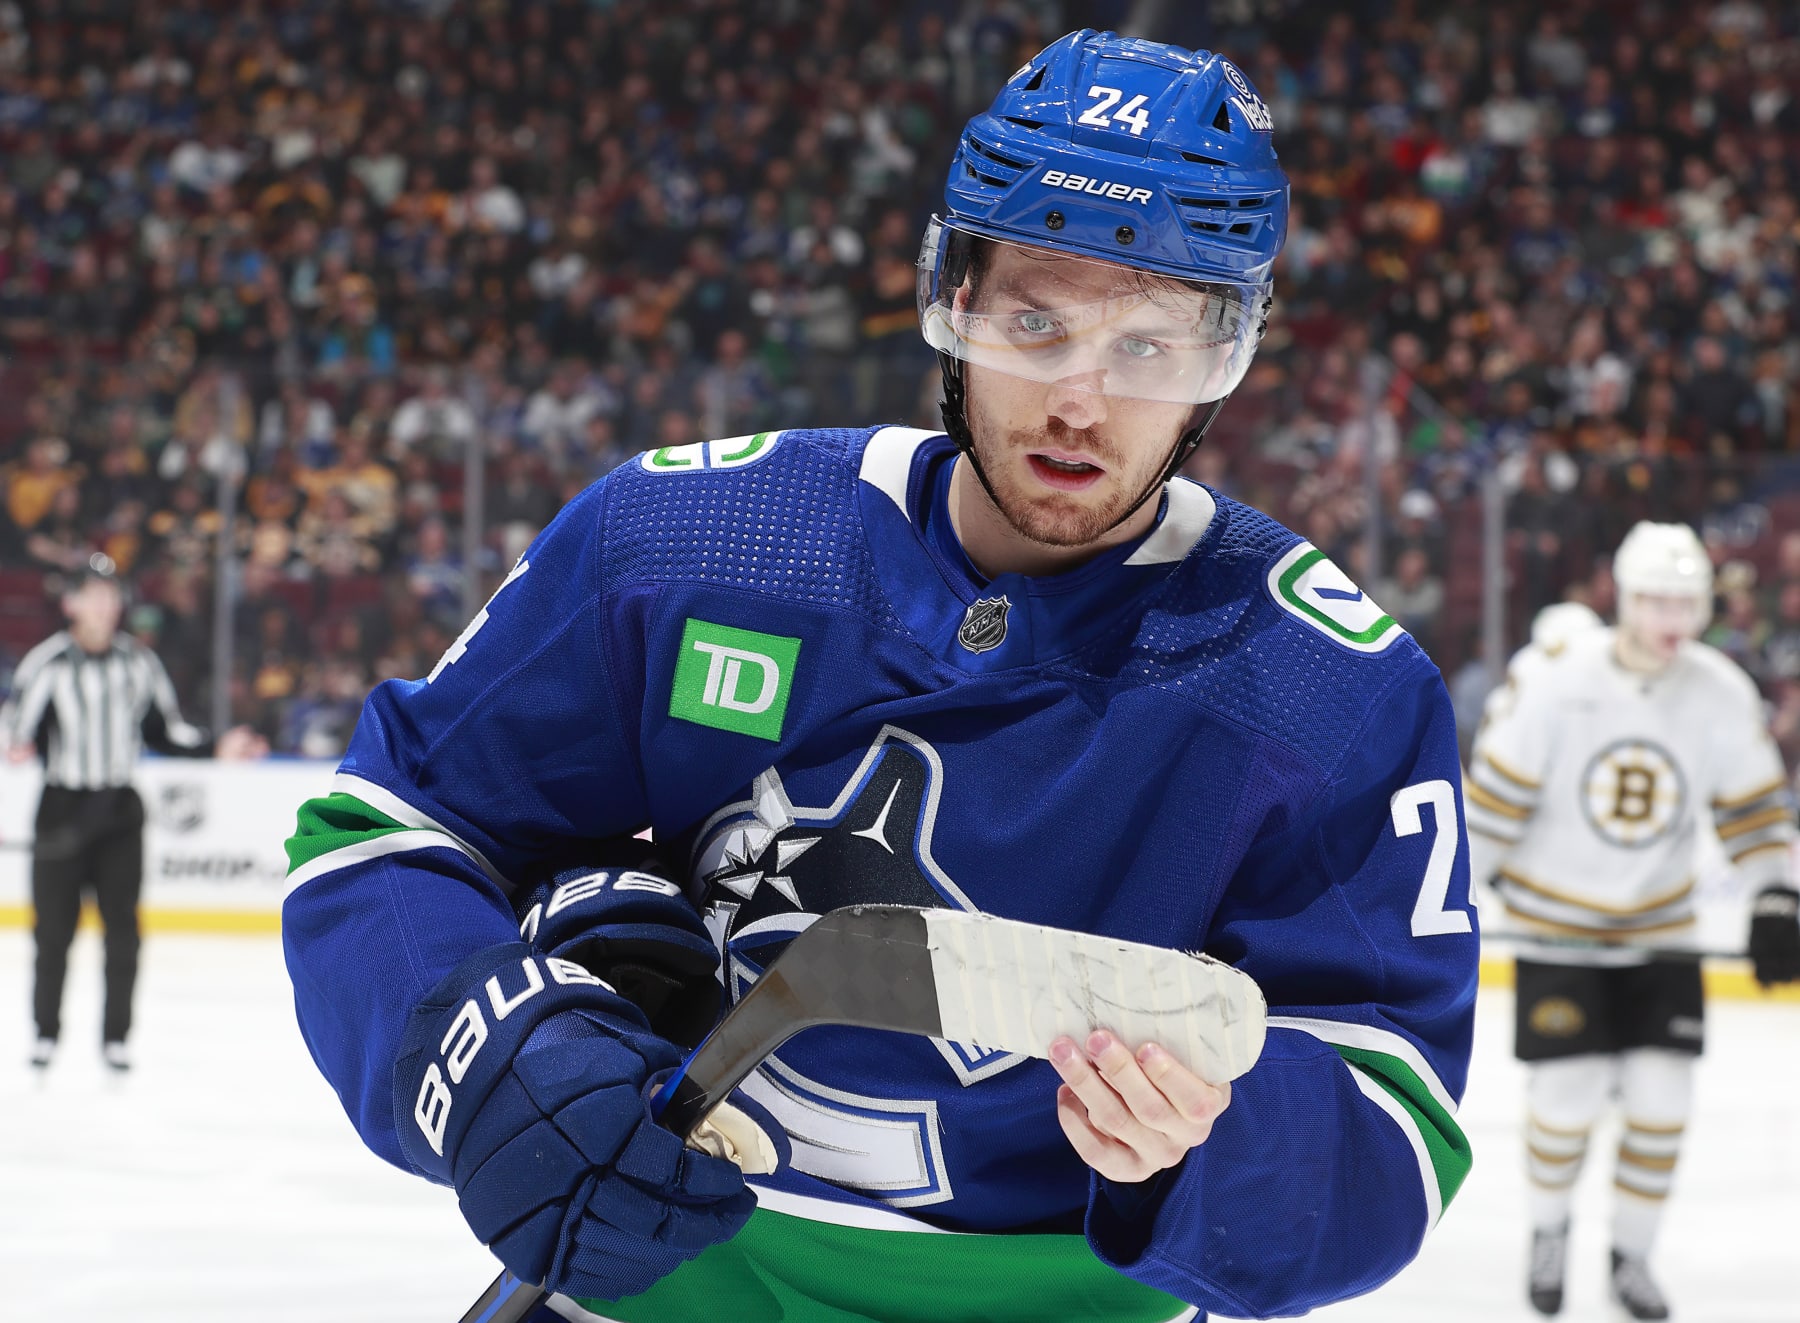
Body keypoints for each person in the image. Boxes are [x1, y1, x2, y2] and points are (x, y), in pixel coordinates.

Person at [282, 32, 1477, 1323]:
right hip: (671, 1267)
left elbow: (1393, 1105)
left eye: (1149, 347)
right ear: (953, 300)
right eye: (1036, 321)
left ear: (1223, 359)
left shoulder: (1329, 688)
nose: (1081, 399)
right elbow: (384, 832)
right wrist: (489, 1052)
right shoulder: (688, 540)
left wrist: (1219, 1141)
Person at [1465, 521, 1800, 1320]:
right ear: (1623, 596)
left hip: (1661, 930)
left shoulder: (1717, 689)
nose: (1671, 618)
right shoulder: (1556, 681)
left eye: (1686, 600)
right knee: (1567, 1098)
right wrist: (1451, 903)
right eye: (1654, 598)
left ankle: (1632, 1255)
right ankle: (1550, 1234)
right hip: (1559, 931)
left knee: (1662, 1099)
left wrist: (1775, 895)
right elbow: (1491, 814)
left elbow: (1753, 815)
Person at [0, 555, 269, 1072]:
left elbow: (165, 732)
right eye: (93, 594)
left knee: (123, 929)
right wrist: (16, 749)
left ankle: (115, 1037)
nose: (105, 605)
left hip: (119, 809)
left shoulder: (138, 663)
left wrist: (218, 747)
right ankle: (46, 1032)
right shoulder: (48, 664)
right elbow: (19, 731)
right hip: (61, 807)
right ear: (71, 603)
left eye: (111, 595)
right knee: (53, 930)